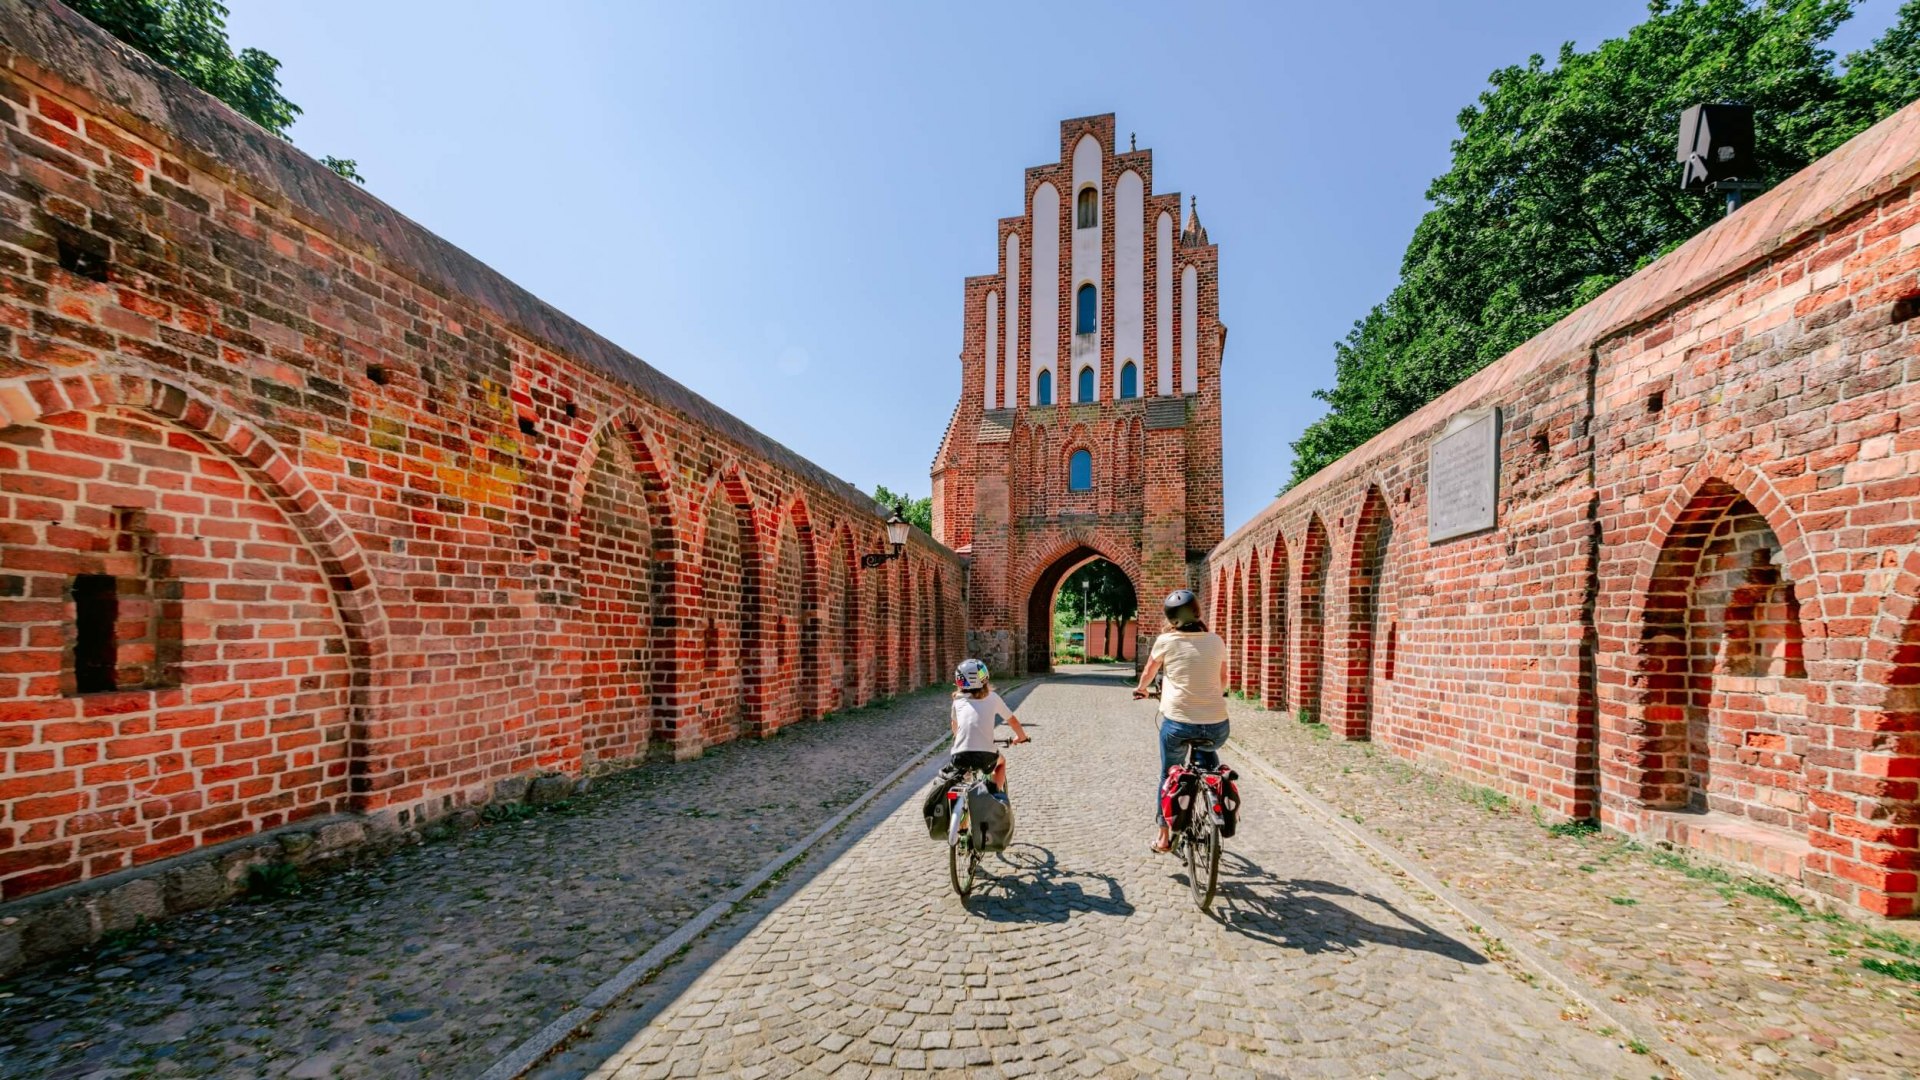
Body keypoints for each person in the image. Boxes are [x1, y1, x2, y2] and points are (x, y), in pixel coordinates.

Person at [1132, 588, 1229, 853]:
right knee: (1208, 755)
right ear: (1197, 612)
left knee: (1169, 774)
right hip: (1218, 724)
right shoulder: (1216, 641)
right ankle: (1215, 796)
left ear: (1171, 619)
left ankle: (1164, 838)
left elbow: (1149, 672)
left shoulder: (1166, 640)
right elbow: (1222, 680)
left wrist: (1141, 689)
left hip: (1178, 724)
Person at [950, 659, 1029, 795]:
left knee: (963, 772)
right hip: (986, 754)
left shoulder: (958, 700)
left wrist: (960, 738)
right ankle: (995, 796)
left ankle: (961, 800)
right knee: (1001, 763)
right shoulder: (993, 697)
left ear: (959, 680)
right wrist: (1021, 737)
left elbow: (955, 727)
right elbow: (1013, 721)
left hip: (959, 755)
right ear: (984, 678)